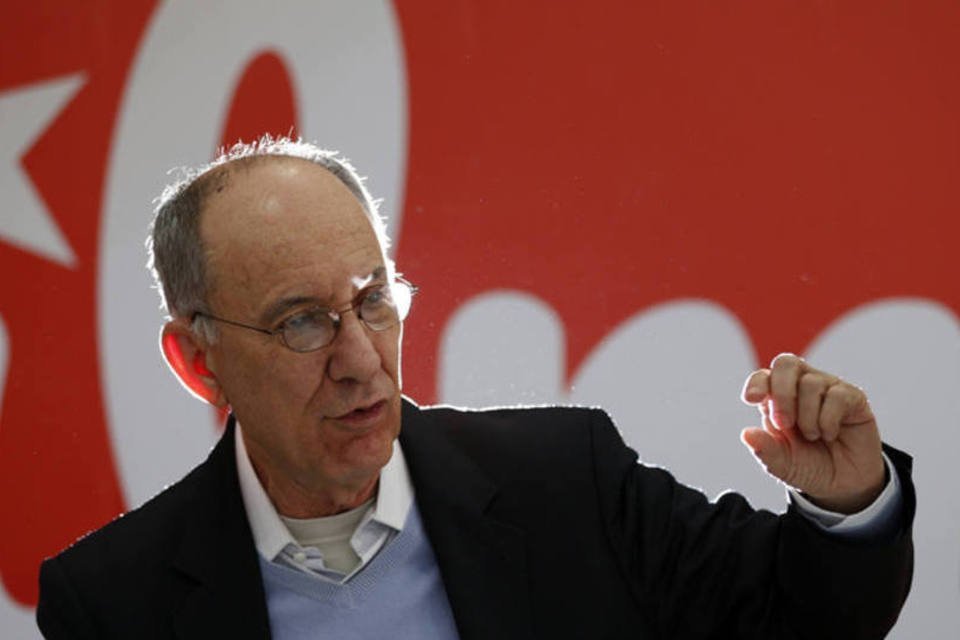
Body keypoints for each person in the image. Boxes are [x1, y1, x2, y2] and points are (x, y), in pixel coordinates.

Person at [36, 138, 914, 639]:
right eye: (302, 321)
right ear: (199, 362)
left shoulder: (565, 481)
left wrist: (848, 505)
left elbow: (802, 618)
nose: (361, 360)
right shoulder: (112, 605)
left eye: (373, 301)